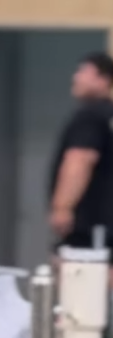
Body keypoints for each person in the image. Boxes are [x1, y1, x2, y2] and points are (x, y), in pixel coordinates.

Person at [49, 52, 113, 267]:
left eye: (83, 72)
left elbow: (81, 160)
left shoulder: (90, 116)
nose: (75, 77)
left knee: (85, 278)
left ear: (103, 79)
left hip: (91, 226)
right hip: (105, 226)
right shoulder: (108, 116)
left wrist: (63, 207)